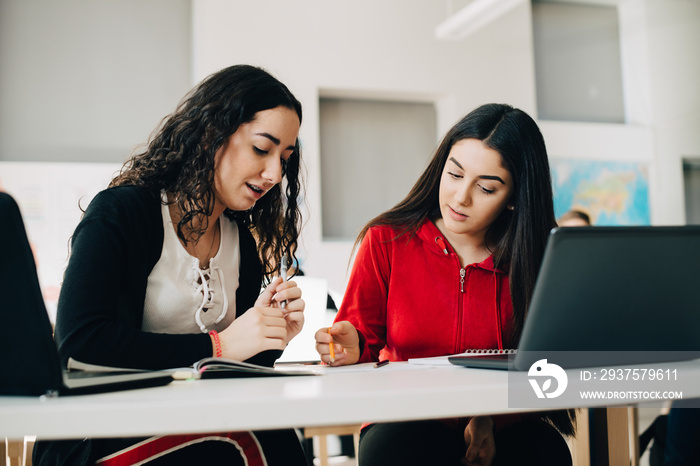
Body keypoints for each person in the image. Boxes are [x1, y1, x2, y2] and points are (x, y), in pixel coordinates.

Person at [34, 64, 310, 465]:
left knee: (264, 426)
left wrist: (269, 334)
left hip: (198, 432)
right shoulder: (122, 212)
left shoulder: (239, 242)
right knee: (256, 434)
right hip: (99, 437)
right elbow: (78, 345)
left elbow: (234, 370)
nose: (274, 173)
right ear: (211, 135)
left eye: (284, 158)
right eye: (261, 149)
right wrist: (220, 344)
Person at [314, 103, 576, 466]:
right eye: (454, 175)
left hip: (508, 418)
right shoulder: (386, 240)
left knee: (546, 453)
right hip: (406, 418)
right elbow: (360, 341)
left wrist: (488, 415)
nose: (460, 197)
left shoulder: (537, 257)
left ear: (515, 198)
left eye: (485, 188)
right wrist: (350, 345)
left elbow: (545, 363)